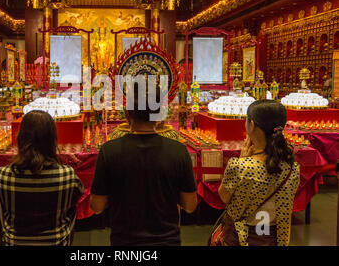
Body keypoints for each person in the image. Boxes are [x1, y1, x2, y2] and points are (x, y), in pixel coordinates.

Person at [90, 82, 198, 246]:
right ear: (161, 113)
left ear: (127, 113)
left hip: (124, 242)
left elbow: (97, 206)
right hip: (167, 239)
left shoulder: (109, 151)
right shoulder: (178, 151)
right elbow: (190, 205)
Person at [0, 111, 84, 246]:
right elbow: (75, 199)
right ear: (53, 140)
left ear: (20, 138)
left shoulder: (2, 176)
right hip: (56, 242)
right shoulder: (67, 175)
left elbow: (0, 214)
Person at [217, 100, 300, 246]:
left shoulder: (240, 166)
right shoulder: (292, 169)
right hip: (274, 239)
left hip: (241, 238)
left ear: (252, 124)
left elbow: (224, 197)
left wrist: (242, 159)